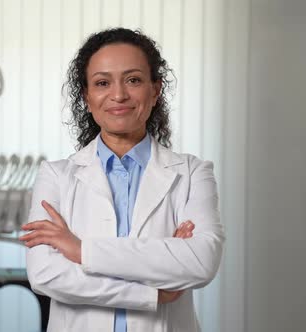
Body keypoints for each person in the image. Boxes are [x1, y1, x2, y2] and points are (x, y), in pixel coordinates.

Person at [19, 28, 224, 332]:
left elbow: (201, 263)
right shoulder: (56, 176)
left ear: (156, 90)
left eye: (133, 80)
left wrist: (80, 251)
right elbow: (46, 274)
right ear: (87, 97)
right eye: (102, 83)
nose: (118, 95)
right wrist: (153, 291)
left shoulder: (193, 173)